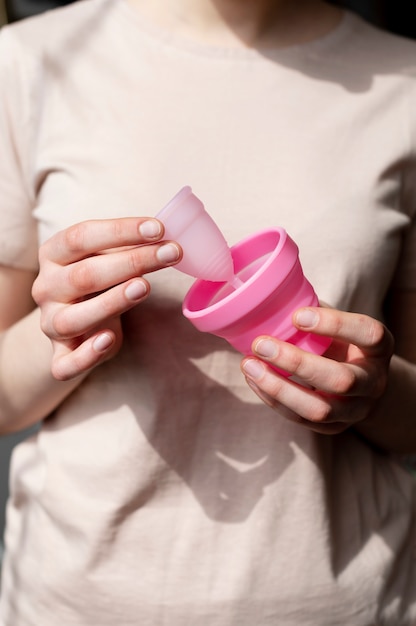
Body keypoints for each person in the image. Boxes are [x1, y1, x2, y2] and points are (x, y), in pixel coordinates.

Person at [0, 0, 415, 623]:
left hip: (345, 603)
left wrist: (372, 391)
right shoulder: (30, 64)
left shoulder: (404, 85)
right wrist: (60, 332)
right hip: (77, 606)